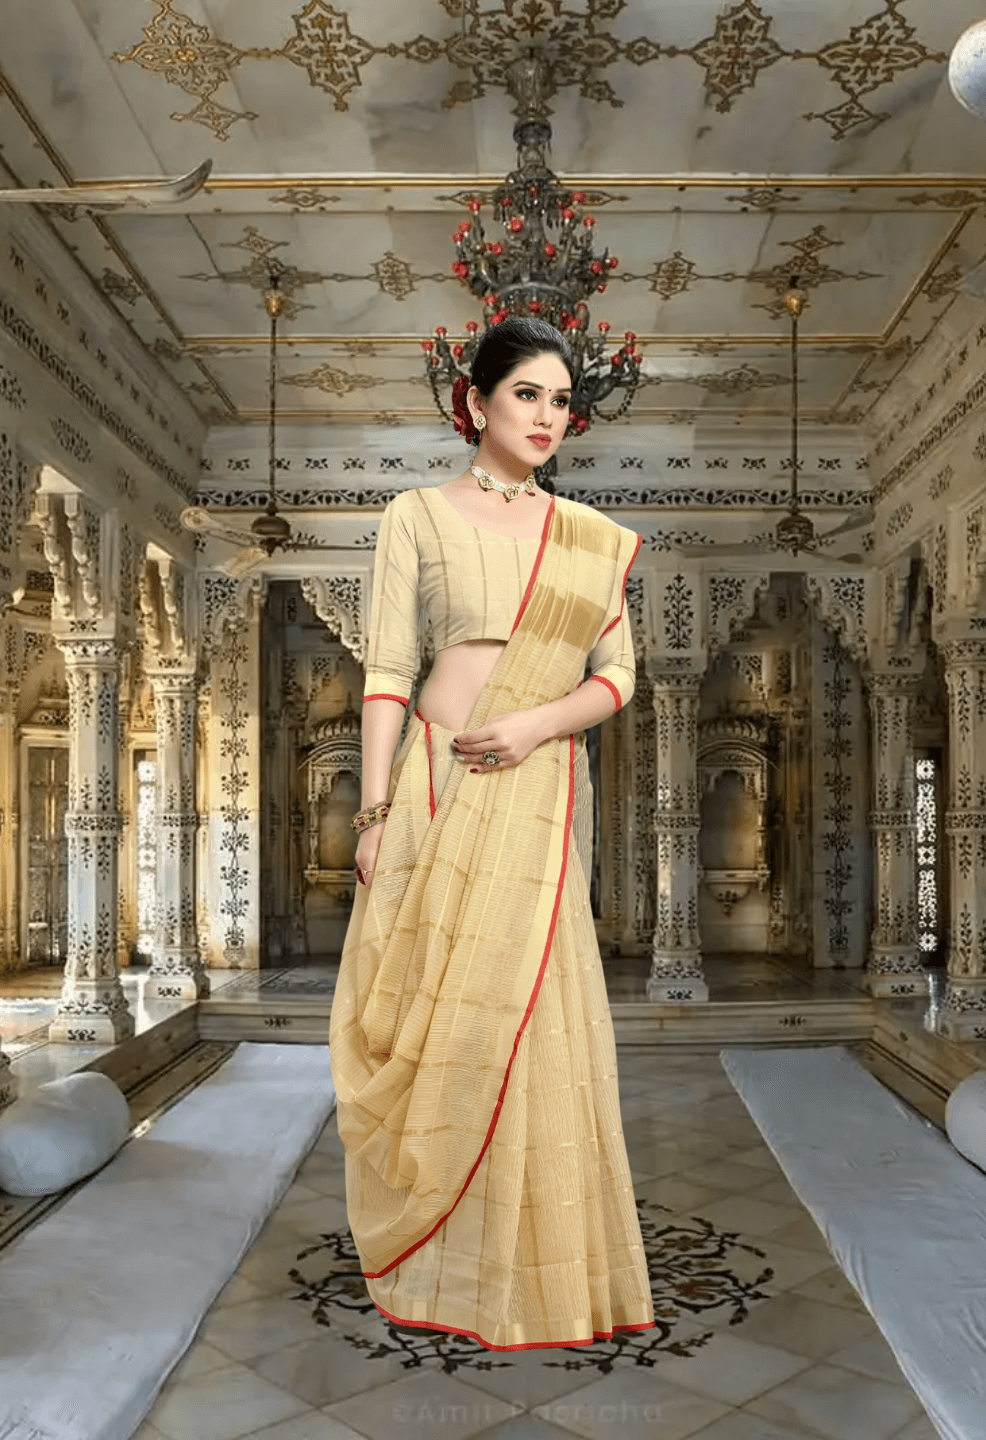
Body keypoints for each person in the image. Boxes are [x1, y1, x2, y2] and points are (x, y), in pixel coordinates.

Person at [329, 317, 654, 1352]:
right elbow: (385, 670)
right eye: (529, 396)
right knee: (430, 1019)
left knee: (533, 1020)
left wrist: (534, 724)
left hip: (537, 787)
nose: (549, 417)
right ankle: (441, 1253)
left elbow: (617, 676)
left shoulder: (590, 538)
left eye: (562, 401)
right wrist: (374, 811)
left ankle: (536, 1265)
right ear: (476, 402)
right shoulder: (415, 515)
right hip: (433, 785)